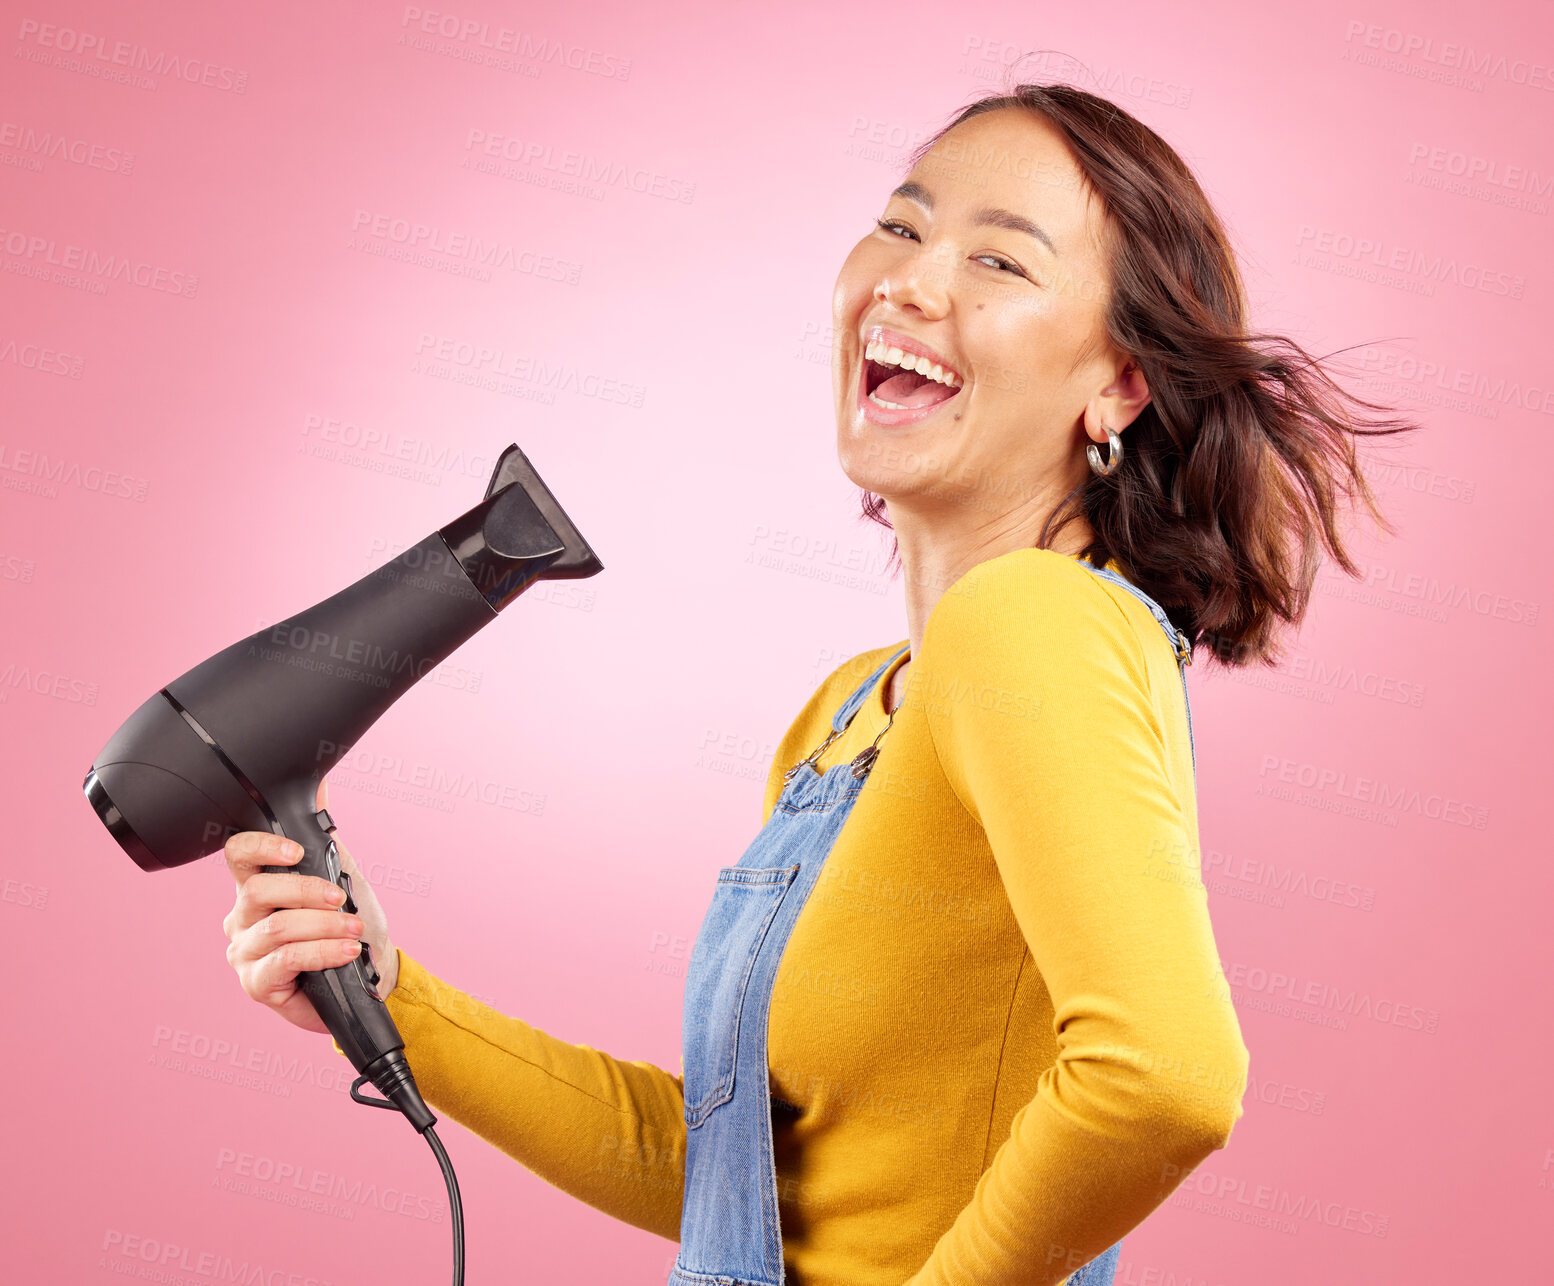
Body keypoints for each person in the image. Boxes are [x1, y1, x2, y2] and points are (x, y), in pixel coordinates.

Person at [221, 83, 1415, 1286]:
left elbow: (1166, 1077)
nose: (911, 279)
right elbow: (732, 1174)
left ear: (1120, 386)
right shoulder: (856, 705)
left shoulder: (1032, 621)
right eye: (902, 227)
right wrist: (393, 997)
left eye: (999, 259)